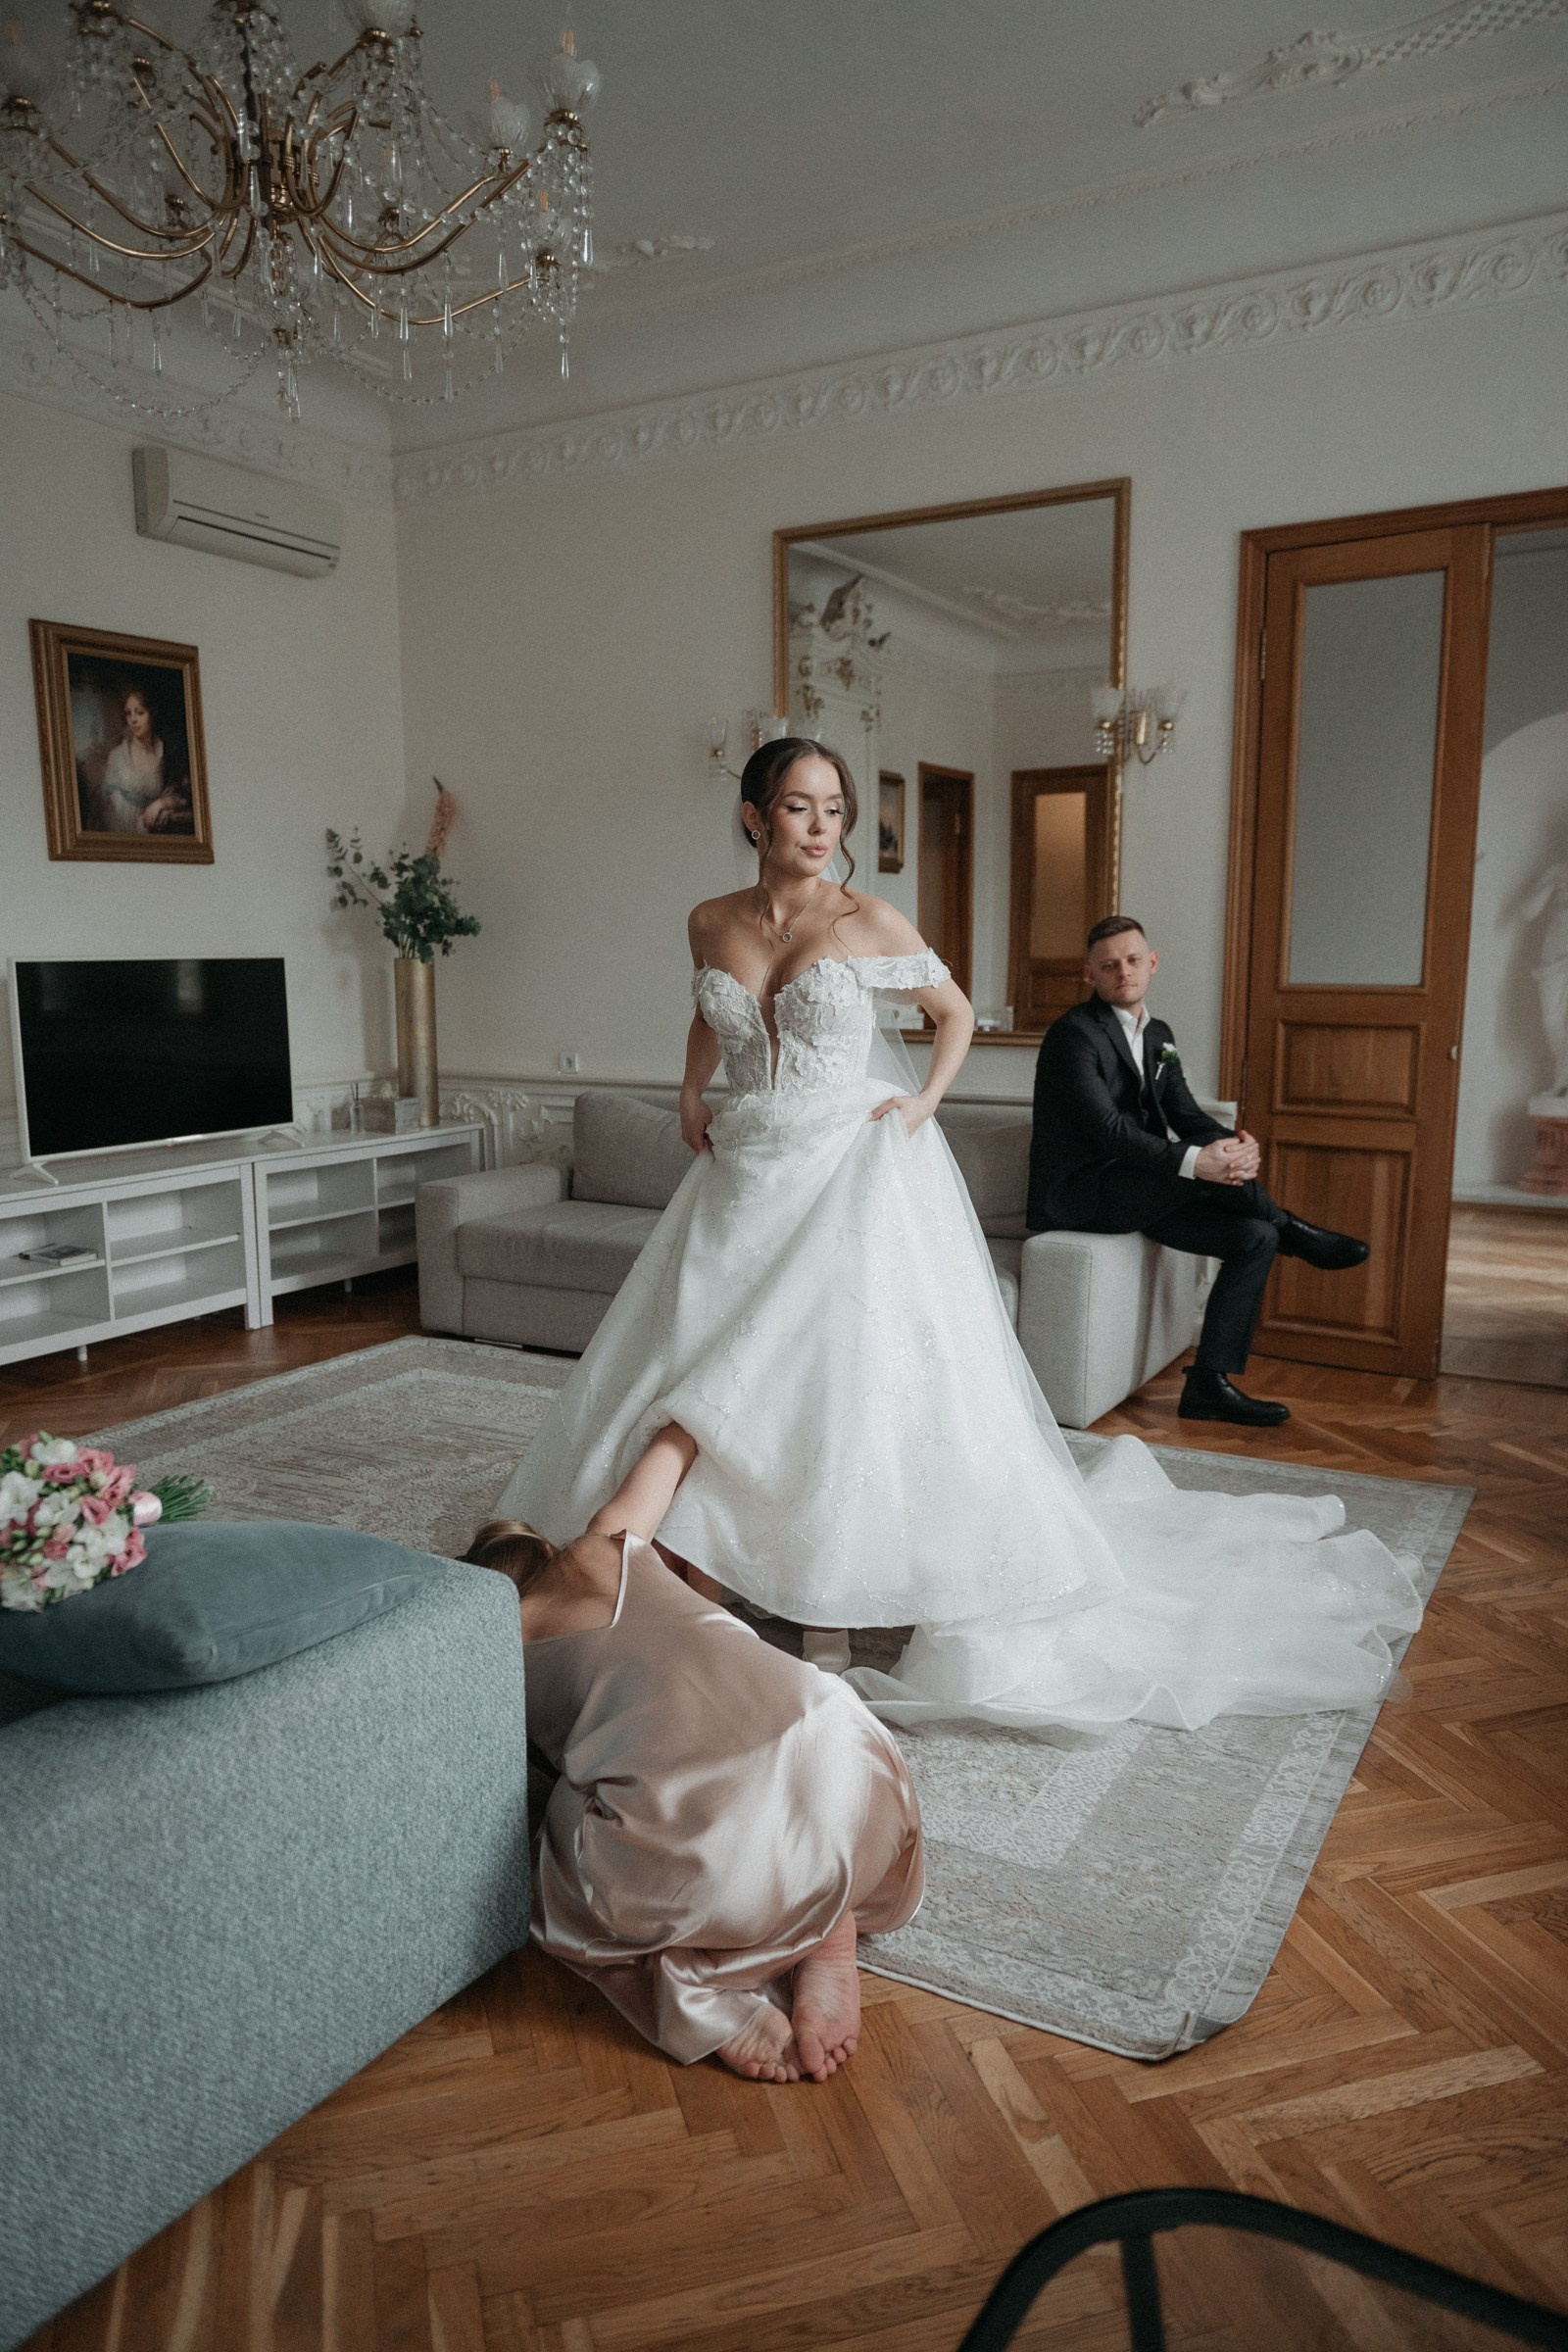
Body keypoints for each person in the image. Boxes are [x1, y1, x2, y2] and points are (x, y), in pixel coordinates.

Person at [497, 736, 1422, 1734]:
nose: (822, 828)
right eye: (800, 807)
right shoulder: (708, 920)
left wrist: (923, 1103)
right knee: (702, 1351)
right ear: (756, 817)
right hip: (744, 1169)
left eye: (836, 809)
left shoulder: (865, 918)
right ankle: (693, 1554)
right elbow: (711, 1010)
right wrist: (689, 1092)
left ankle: (798, 1582)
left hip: (848, 1165)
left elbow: (954, 1013)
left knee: (819, 1368)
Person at [466, 1420, 923, 2083]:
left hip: (728, 1851)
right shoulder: (609, 1539)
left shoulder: (493, 1654)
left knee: (550, 1848)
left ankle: (713, 1997)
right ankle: (827, 1920)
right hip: (855, 1760)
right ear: (545, 1546)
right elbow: (674, 1450)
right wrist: (697, 1411)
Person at [1028, 916, 1369, 1428]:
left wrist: (1235, 1146)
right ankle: (1294, 1230)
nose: (1124, 972)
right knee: (1202, 1167)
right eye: (1109, 965)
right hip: (1086, 1193)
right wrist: (1197, 1162)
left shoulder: (1158, 1034)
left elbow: (1185, 1114)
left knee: (1254, 1237)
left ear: (1152, 963)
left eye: (1133, 960)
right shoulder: (1073, 1035)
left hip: (1142, 1188)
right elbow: (1108, 1132)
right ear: (1089, 974)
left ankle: (1208, 1385)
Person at [100, 683, 190, 834]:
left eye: (140, 713)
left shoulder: (165, 755)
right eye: (128, 714)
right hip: (121, 833)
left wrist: (161, 803)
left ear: (152, 715)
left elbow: (181, 795)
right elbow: (107, 809)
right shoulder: (116, 757)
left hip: (153, 835)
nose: (133, 720)